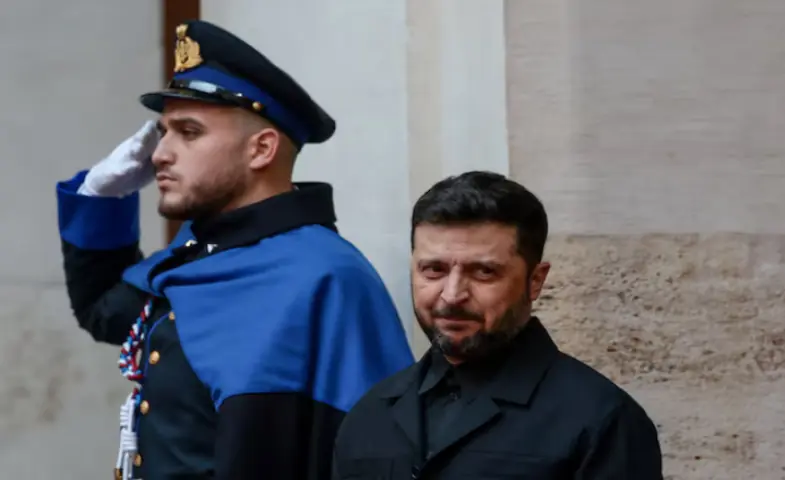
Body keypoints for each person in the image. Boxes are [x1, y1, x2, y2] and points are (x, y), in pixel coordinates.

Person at [55, 20, 413, 480]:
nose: (160, 153)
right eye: (163, 132)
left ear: (262, 149)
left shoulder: (326, 277)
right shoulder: (197, 256)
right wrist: (100, 199)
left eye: (188, 132)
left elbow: (374, 458)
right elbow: (105, 311)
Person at [332, 171, 663, 479]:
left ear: (535, 281)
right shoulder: (368, 416)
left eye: (484, 272)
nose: (452, 295)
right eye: (433, 270)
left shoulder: (602, 421)